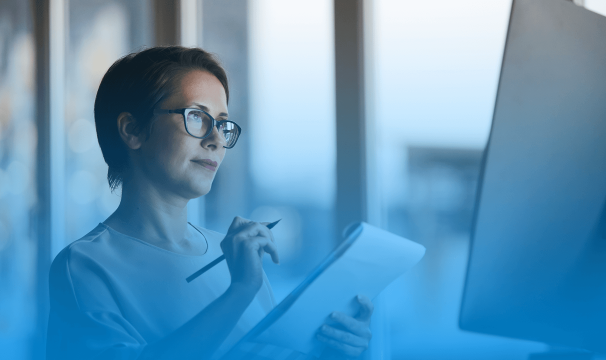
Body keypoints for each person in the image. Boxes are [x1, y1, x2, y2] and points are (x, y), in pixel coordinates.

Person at [46, 46, 374, 360]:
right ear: (132, 130)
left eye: (222, 123)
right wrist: (240, 290)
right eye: (197, 117)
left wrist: (332, 351)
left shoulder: (232, 254)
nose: (216, 139)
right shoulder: (85, 265)